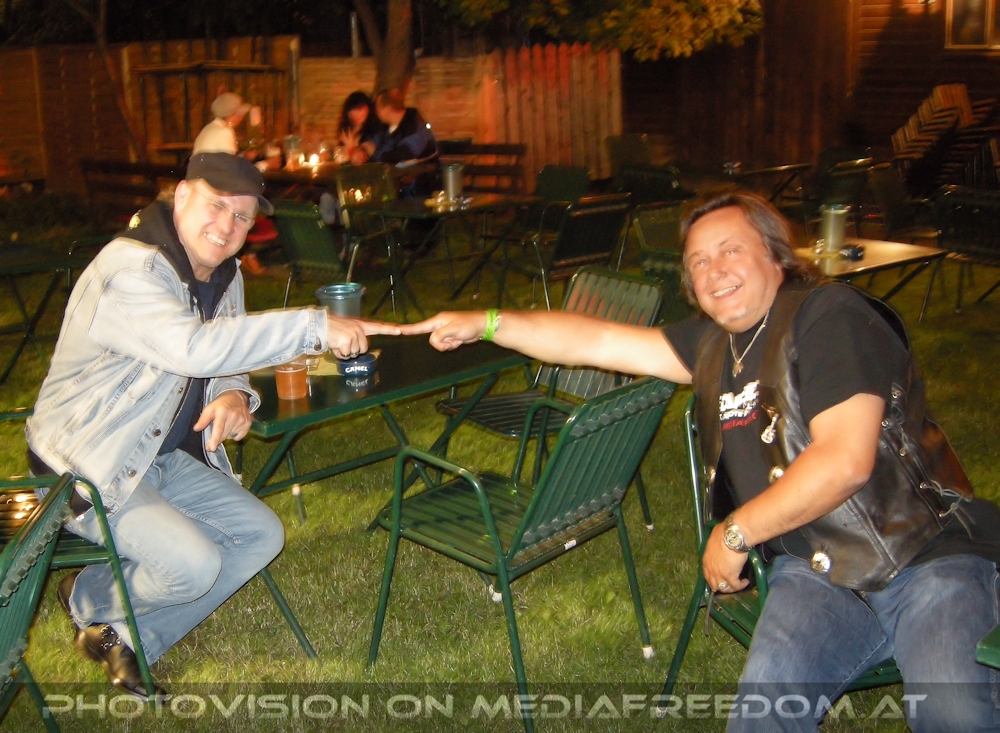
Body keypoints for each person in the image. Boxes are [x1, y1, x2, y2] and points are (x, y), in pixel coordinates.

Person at [399, 191, 1000, 732]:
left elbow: (844, 461)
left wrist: (736, 532)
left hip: (922, 554)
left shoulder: (828, 315)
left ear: (774, 255)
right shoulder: (712, 344)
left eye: (730, 250)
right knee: (762, 718)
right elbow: (594, 341)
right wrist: (487, 322)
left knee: (954, 713)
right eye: (698, 262)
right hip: (812, 570)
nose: (715, 271)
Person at [26, 152, 399, 699]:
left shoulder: (224, 275)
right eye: (216, 205)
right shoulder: (129, 270)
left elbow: (224, 358)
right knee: (195, 567)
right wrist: (313, 327)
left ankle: (129, 636)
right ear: (181, 197)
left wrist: (231, 392)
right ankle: (87, 593)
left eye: (242, 216)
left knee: (263, 536)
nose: (227, 225)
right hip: (89, 464)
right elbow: (192, 348)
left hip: (159, 454)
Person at [370, 89, 438, 198]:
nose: (375, 112)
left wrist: (375, 154)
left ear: (387, 109)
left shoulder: (416, 127)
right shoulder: (388, 128)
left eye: (377, 107)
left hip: (420, 193)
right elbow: (373, 145)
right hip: (397, 189)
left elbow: (403, 154)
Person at [338, 91, 382, 165]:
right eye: (351, 110)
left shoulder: (375, 131)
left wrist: (351, 149)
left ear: (368, 108)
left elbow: (369, 159)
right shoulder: (347, 131)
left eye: (359, 109)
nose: (355, 114)